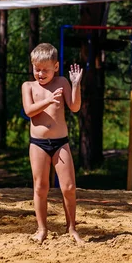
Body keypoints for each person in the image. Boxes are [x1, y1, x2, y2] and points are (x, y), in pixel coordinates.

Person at [21, 43, 84, 245]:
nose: (40, 74)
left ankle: (72, 227)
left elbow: (74, 107)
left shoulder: (62, 82)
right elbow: (29, 111)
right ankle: (41, 229)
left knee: (69, 187)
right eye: (36, 69)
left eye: (45, 70)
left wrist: (75, 85)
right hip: (38, 144)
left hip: (60, 143)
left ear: (56, 67)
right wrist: (48, 101)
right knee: (41, 187)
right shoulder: (28, 86)